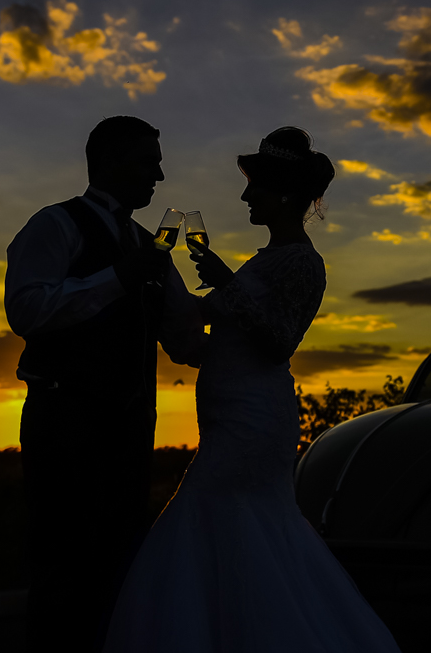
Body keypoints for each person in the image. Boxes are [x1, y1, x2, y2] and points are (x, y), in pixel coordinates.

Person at [103, 127, 402, 652]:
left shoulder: (304, 263)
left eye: (254, 187)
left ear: (284, 194)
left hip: (255, 421)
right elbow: (213, 325)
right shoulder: (264, 258)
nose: (244, 197)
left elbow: (277, 340)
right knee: (236, 529)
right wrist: (159, 278)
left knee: (215, 515)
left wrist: (224, 281)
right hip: (227, 418)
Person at [5, 116, 203, 653]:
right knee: (62, 568)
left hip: (132, 427)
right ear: (108, 162)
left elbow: (184, 337)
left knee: (121, 564)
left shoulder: (149, 248)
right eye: (148, 162)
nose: (160, 175)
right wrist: (117, 278)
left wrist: (247, 309)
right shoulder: (53, 226)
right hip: (64, 422)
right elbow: (26, 310)